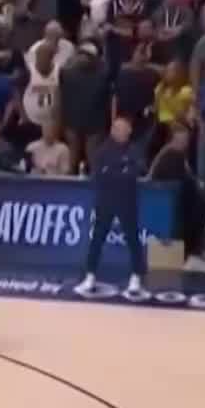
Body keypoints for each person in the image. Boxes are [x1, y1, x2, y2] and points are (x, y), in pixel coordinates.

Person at [77, 116, 148, 295]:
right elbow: (98, 174)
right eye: (116, 128)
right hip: (105, 201)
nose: (119, 131)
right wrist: (121, 170)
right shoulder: (102, 150)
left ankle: (136, 277)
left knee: (133, 239)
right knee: (97, 238)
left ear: (129, 131)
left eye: (122, 128)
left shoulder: (135, 150)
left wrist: (115, 171)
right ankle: (90, 276)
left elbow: (135, 171)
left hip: (127, 201)